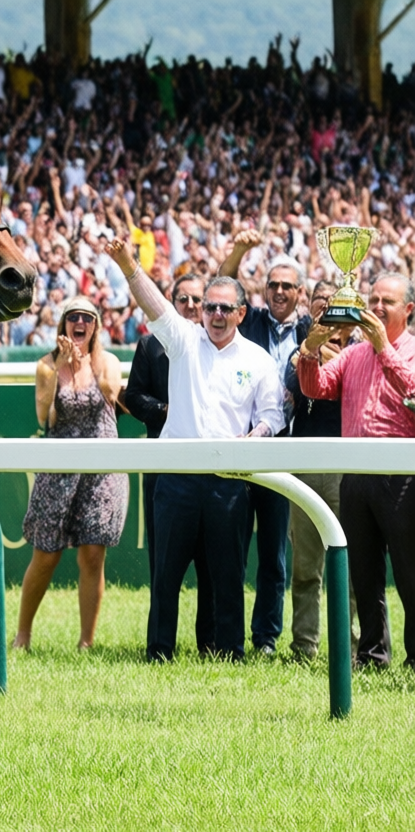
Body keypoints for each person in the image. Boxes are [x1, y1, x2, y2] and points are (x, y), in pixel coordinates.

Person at [109, 238, 284, 662]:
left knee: (227, 576)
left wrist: (255, 436)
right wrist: (129, 266)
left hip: (229, 481)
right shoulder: (183, 341)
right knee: (165, 575)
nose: (216, 315)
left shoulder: (259, 359)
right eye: (210, 307)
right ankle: (159, 652)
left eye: (226, 308)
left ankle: (228, 652)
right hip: (177, 479)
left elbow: (273, 415)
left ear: (242, 313)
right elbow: (155, 305)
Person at [298, 273, 415, 669]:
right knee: (363, 574)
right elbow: (316, 389)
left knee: (409, 571)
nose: (377, 308)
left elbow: (412, 390)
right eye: (374, 299)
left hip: (401, 477)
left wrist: (384, 347)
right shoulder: (352, 354)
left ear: (409, 310)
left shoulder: (410, 350)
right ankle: (372, 655)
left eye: (388, 302)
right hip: (355, 476)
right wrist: (310, 353)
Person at [15, 295, 128, 650]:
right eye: (73, 318)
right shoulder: (46, 365)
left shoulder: (108, 361)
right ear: (63, 323)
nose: (80, 324)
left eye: (87, 318)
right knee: (46, 555)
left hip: (100, 469)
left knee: (93, 554)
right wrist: (62, 365)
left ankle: (86, 642)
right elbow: (42, 415)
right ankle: (23, 635)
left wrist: (87, 365)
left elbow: (112, 394)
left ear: (95, 326)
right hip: (59, 468)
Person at [220, 234, 312, 655]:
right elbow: (221, 284)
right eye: (272, 285)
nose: (278, 292)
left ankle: (266, 639)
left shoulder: (313, 330)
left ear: (300, 293)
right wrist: (240, 250)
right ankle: (230, 638)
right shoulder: (250, 321)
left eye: (286, 286)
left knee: (274, 554)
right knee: (233, 551)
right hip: (242, 449)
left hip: (286, 452)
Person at [122, 272, 214, 655]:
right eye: (184, 300)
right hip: (162, 464)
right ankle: (160, 647)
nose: (191, 307)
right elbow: (132, 397)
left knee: (211, 565)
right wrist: (167, 411)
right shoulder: (150, 345)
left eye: (198, 300)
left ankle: (211, 644)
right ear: (171, 303)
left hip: (209, 466)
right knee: (164, 564)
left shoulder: (216, 345)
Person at [284, 280, 357, 660]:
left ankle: (351, 646)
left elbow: (351, 387)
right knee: (306, 567)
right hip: (307, 465)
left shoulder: (362, 349)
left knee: (349, 569)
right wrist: (310, 350)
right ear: (311, 310)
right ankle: (304, 647)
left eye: (335, 304)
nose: (328, 311)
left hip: (347, 466)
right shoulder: (300, 347)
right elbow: (293, 383)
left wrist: (329, 359)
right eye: (320, 304)